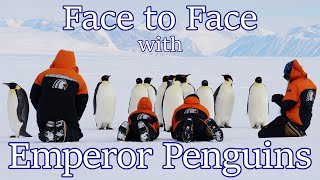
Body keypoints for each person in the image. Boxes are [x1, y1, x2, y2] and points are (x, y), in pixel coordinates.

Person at [30, 50, 88, 142]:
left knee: (43, 131)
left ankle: (48, 130)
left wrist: (40, 108)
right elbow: (82, 101)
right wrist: (76, 116)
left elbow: (33, 95)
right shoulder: (79, 79)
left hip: (45, 111)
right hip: (67, 113)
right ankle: (64, 132)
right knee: (76, 133)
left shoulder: (44, 74)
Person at [259, 59, 317, 138]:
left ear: (291, 73)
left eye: (286, 76)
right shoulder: (309, 83)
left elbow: (288, 105)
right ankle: (298, 130)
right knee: (272, 124)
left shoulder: (295, 84)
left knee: (262, 133)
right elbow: (297, 102)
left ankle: (296, 132)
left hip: (295, 122)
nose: (287, 79)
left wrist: (277, 98)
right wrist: (282, 99)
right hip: (304, 121)